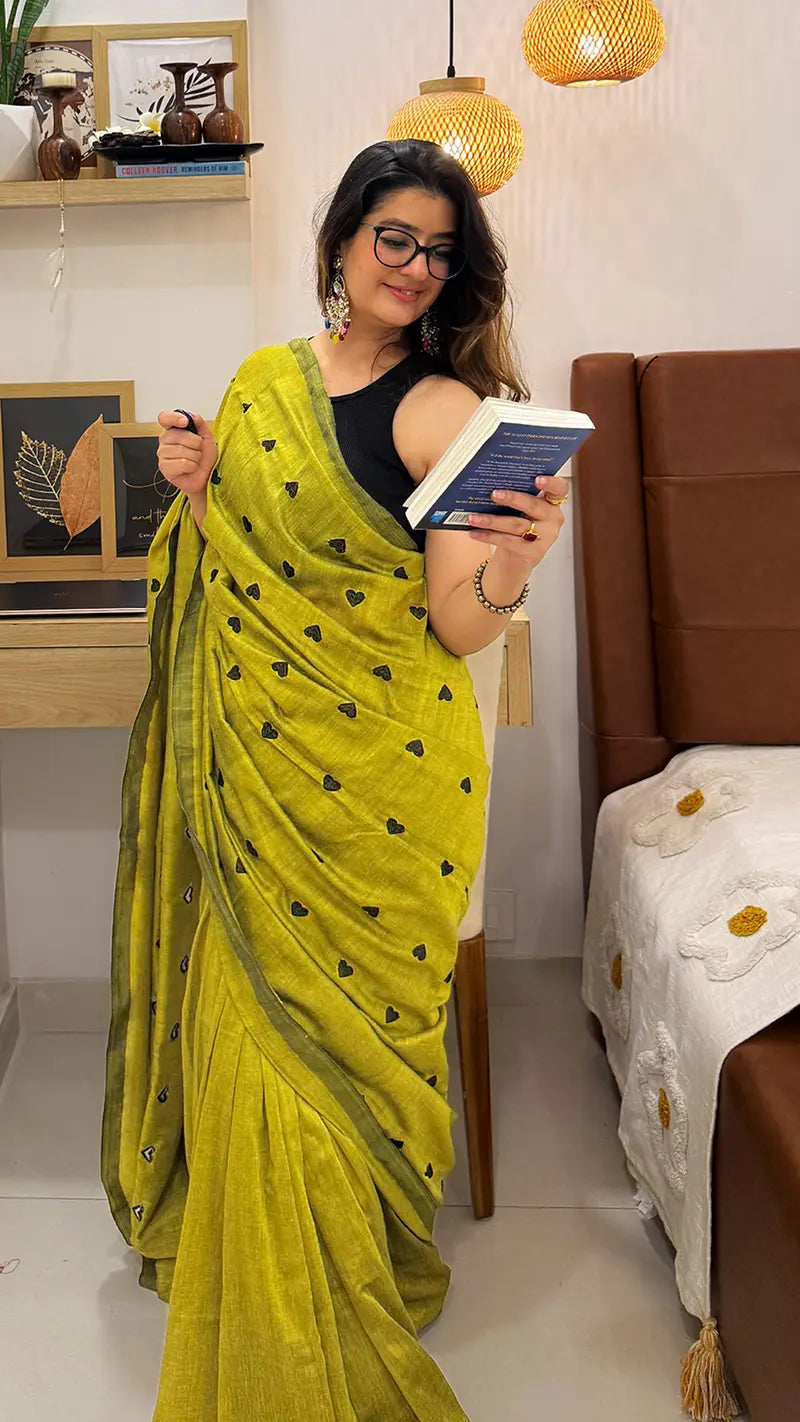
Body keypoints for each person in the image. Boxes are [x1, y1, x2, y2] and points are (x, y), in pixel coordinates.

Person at [102, 138, 569, 1421]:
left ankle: (338, 1249)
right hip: (256, 765)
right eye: (392, 239)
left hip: (378, 782)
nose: (413, 268)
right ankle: (263, 1238)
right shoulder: (262, 382)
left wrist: (516, 563)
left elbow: (458, 628)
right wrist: (196, 488)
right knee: (247, 1021)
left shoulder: (444, 415)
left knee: (346, 1043)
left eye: (438, 249)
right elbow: (241, 559)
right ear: (341, 243)